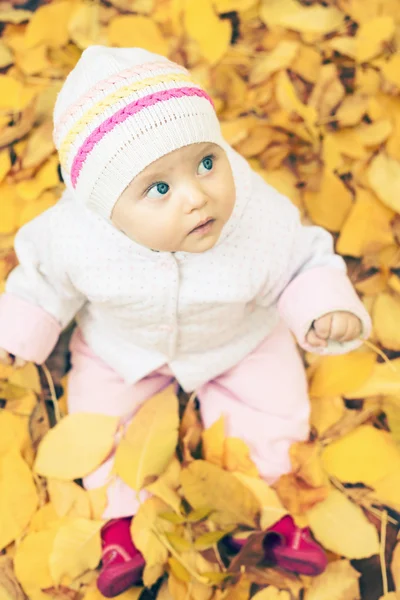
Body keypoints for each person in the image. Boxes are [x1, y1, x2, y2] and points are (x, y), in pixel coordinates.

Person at [0, 46, 371, 597]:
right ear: (102, 208)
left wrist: (321, 305)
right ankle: (124, 523)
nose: (198, 196)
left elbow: (300, 257)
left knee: (275, 402)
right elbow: (42, 281)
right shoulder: (74, 236)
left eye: (205, 161)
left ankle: (274, 507)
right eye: (159, 188)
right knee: (99, 414)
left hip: (239, 336)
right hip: (122, 347)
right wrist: (20, 331)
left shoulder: (250, 208)